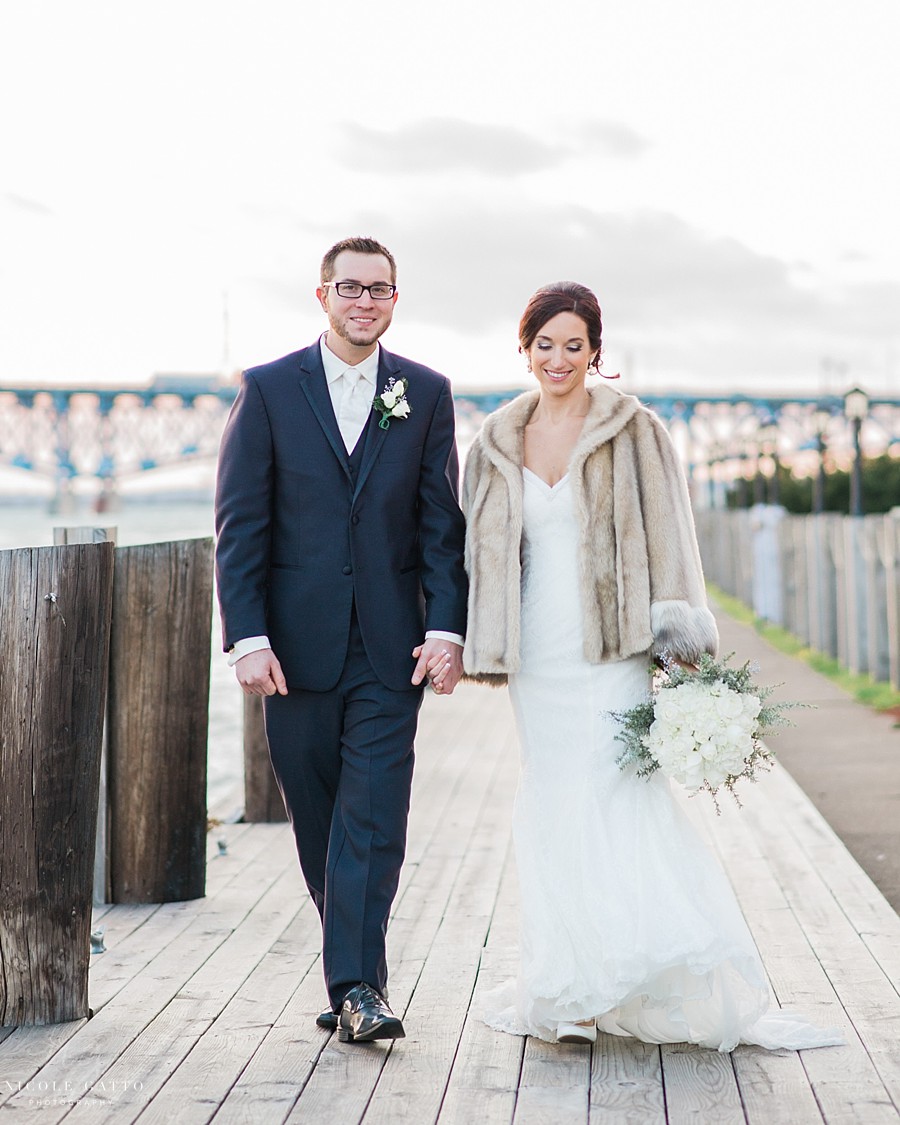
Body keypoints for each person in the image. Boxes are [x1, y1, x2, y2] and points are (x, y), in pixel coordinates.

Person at [461, 281, 842, 1052]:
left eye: (575, 344)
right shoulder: (495, 438)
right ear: (524, 348)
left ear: (597, 351)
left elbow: (672, 535)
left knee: (616, 791)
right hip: (536, 651)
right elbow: (474, 549)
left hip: (612, 646)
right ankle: (567, 983)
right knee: (554, 797)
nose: (559, 358)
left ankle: (630, 971)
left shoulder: (637, 431)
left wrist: (680, 633)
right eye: (545, 343)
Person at [215, 236, 468, 1043]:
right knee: (321, 822)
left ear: (396, 300)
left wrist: (446, 627)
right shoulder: (266, 390)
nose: (366, 301)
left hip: (392, 649)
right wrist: (246, 634)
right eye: (351, 287)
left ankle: (360, 986)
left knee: (375, 816)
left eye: (381, 289)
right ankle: (351, 962)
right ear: (322, 294)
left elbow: (442, 526)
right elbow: (240, 524)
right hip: (294, 650)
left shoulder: (424, 394)